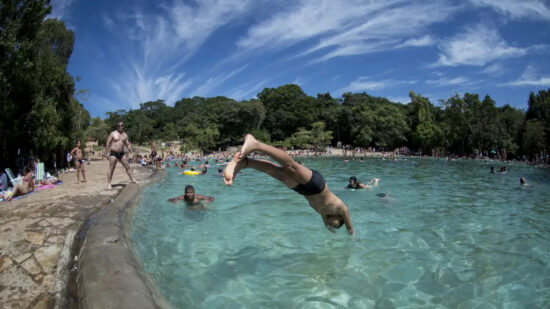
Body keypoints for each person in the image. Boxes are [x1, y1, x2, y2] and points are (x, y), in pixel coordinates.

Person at [224, 134, 354, 234]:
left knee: (276, 173)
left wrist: (331, 230)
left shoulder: (323, 214)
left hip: (303, 191)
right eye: (337, 225)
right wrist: (351, 232)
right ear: (340, 218)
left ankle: (245, 163)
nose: (333, 226)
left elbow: (328, 224)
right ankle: (256, 144)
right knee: (291, 166)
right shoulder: (340, 208)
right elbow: (349, 224)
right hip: (317, 185)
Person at [105, 121, 139, 189]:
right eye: (119, 125)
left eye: (122, 125)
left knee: (127, 166)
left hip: (121, 153)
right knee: (111, 168)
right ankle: (109, 183)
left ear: (123, 126)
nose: (120, 126)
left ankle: (132, 179)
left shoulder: (125, 135)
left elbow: (127, 144)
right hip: (113, 153)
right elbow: (107, 143)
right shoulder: (113, 133)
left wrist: (131, 150)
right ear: (117, 126)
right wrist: (107, 153)